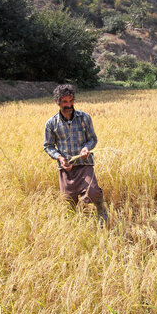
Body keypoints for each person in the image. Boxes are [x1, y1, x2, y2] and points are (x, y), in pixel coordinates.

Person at [43, 84, 108, 226]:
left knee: (92, 192)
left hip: (85, 164)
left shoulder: (84, 118)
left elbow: (92, 139)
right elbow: (48, 146)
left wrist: (86, 148)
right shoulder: (51, 123)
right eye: (65, 102)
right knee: (69, 201)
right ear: (57, 102)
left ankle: (101, 208)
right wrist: (60, 158)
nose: (69, 105)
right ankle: (73, 227)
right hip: (66, 167)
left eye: (71, 101)